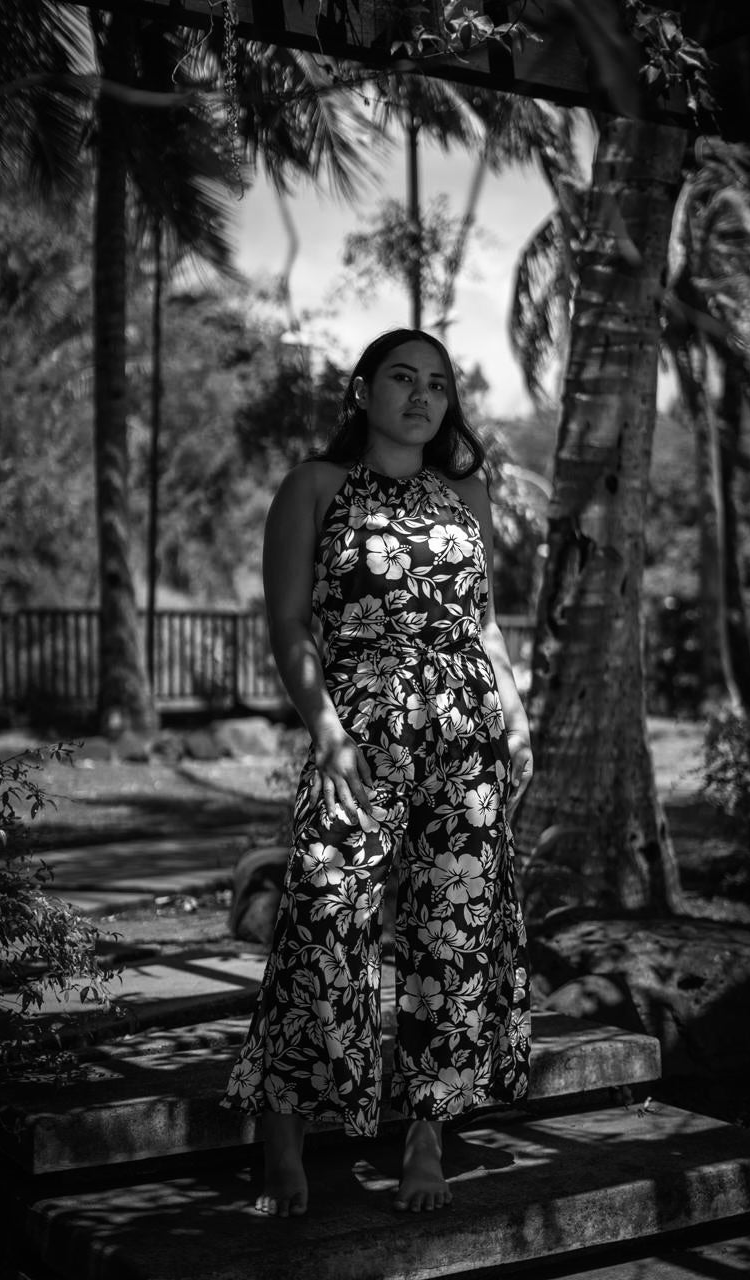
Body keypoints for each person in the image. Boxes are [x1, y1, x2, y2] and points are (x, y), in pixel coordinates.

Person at [222, 327, 533, 1217]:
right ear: (363, 391)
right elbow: (289, 626)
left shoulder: (466, 495)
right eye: (403, 377)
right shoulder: (315, 486)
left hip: (466, 736)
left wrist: (516, 720)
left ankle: (424, 1136)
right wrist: (325, 731)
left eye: (437, 382)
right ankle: (283, 1133)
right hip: (358, 732)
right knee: (324, 915)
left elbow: (483, 625)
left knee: (452, 931)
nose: (422, 395)